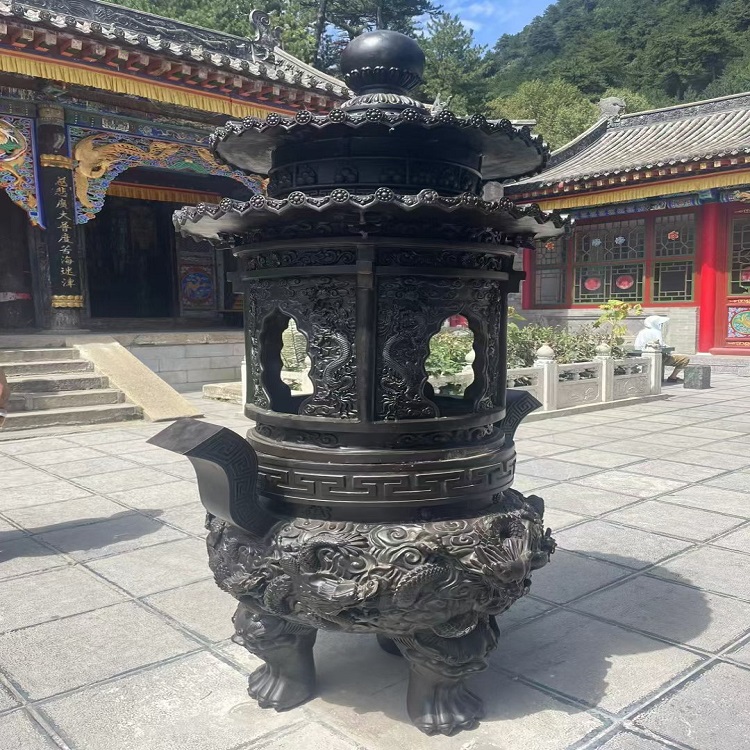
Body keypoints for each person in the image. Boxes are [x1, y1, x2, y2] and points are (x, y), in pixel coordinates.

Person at [633, 315, 690, 383]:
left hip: (642, 356)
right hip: (658, 357)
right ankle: (673, 377)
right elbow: (661, 345)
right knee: (685, 359)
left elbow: (637, 345)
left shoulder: (642, 332)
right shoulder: (656, 332)